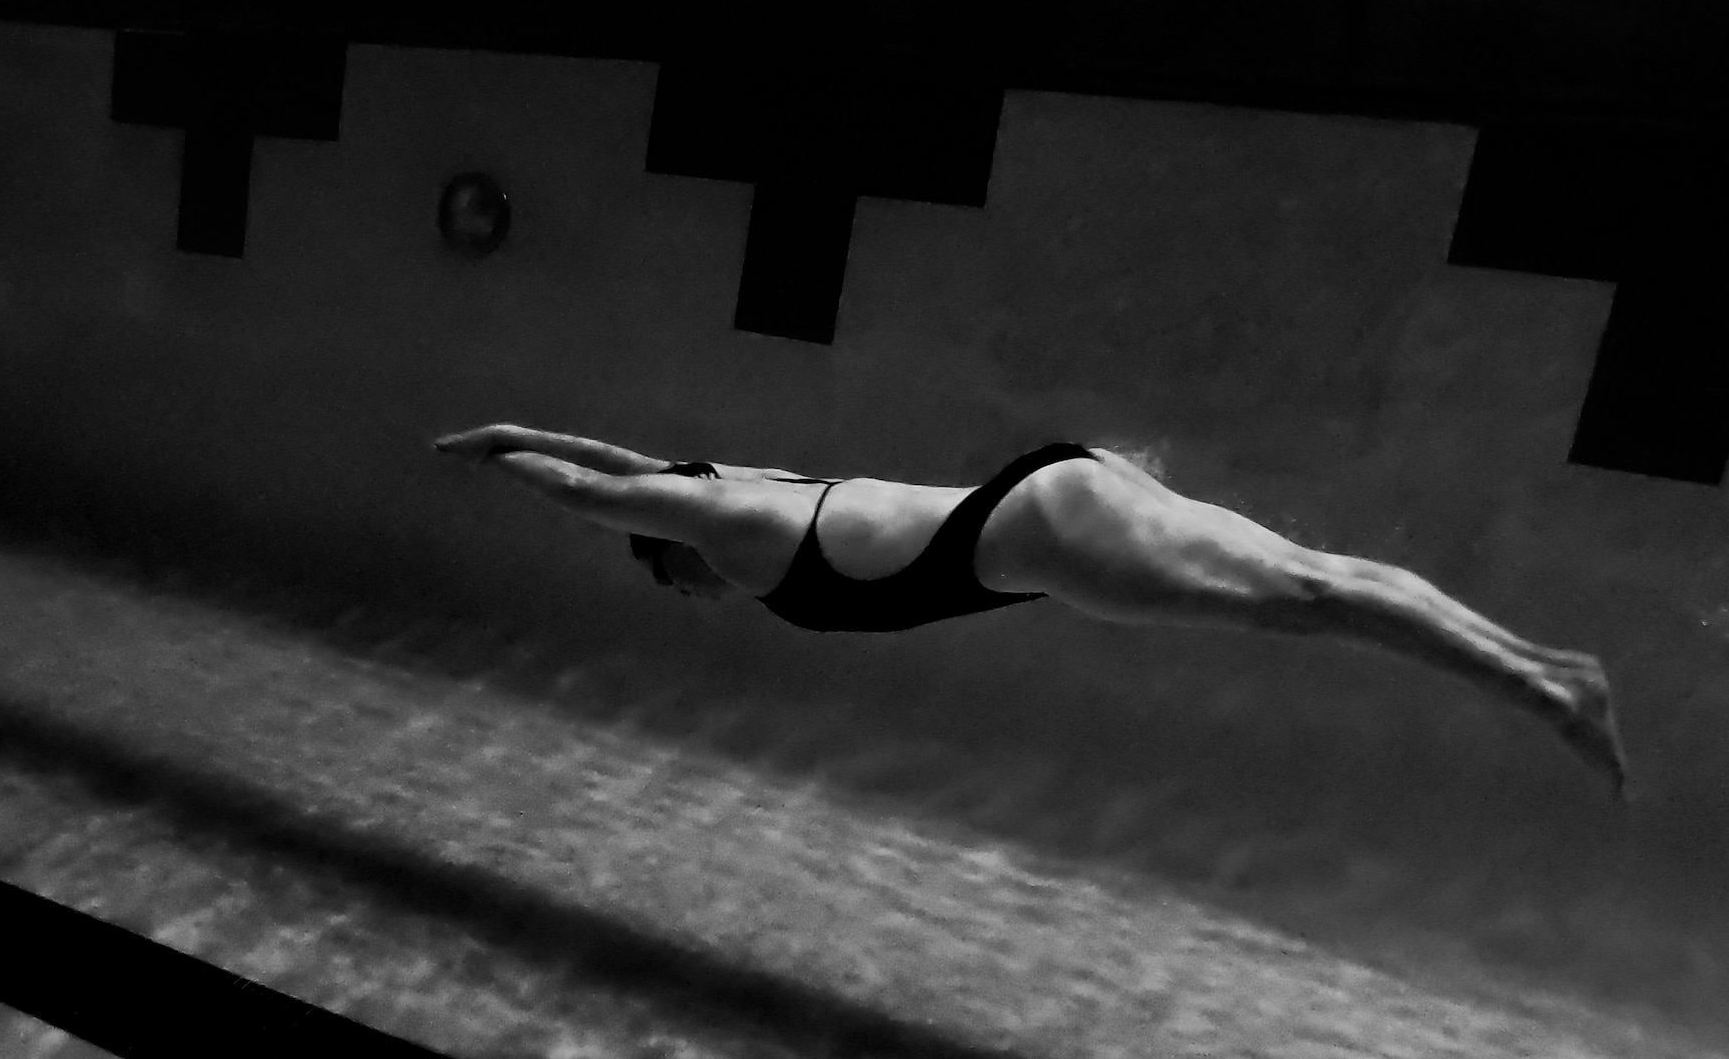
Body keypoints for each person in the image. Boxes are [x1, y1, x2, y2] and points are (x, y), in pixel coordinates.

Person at [433, 422, 1629, 798]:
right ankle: (1546, 670)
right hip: (1058, 492)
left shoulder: (728, 531)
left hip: (1046, 532)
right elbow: (639, 461)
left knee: (1309, 602)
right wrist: (518, 432)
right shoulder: (746, 485)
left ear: (675, 546)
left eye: (666, 574)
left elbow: (604, 484)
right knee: (1317, 583)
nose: (688, 594)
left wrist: (494, 458)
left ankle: (1539, 686)